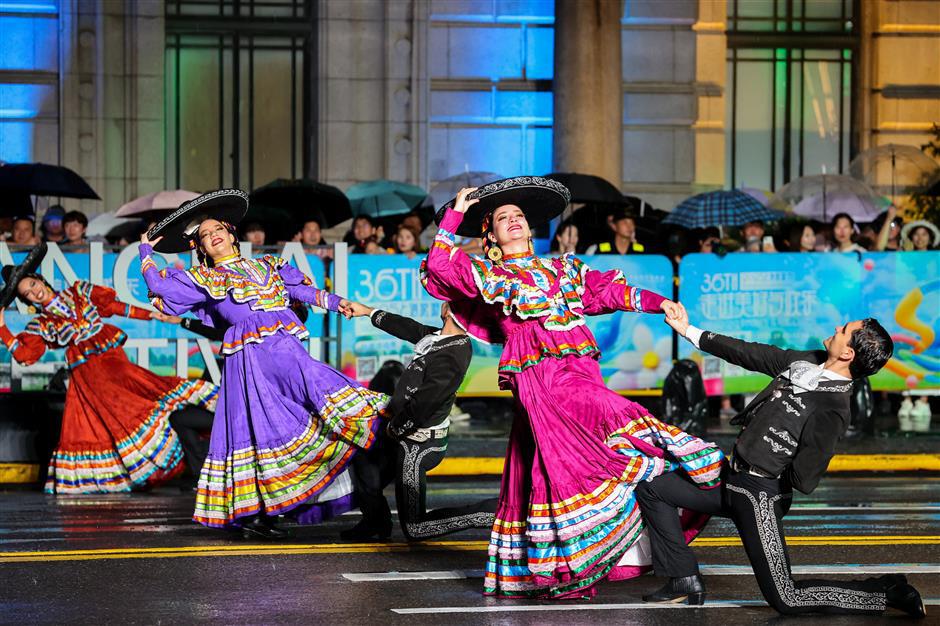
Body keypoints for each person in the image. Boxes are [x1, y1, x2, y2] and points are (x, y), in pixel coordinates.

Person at [422, 178, 724, 599]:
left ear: (530, 229)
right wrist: (455, 214)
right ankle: (728, 495)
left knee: (603, 465)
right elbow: (439, 267)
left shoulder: (562, 269)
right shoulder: (488, 274)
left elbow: (606, 291)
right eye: (503, 218)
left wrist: (659, 303)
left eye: (520, 217)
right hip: (542, 383)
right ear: (489, 234)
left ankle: (681, 572)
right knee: (628, 429)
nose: (514, 221)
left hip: (580, 373)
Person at [636, 304, 925, 617]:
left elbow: (806, 478)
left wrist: (777, 452)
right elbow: (751, 353)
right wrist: (689, 331)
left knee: (787, 598)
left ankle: (884, 593)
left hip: (760, 495)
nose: (838, 328)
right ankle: (683, 578)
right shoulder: (807, 362)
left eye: (844, 331)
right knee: (653, 487)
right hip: (729, 479)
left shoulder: (834, 407)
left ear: (848, 354)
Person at [139, 189, 388, 538]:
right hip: (250, 364)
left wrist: (338, 303)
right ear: (202, 249)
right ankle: (257, 515)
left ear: (230, 233)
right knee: (254, 432)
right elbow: (162, 289)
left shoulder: (267, 265)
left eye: (217, 230)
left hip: (286, 351)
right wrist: (146, 251)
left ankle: (368, 504)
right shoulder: (204, 279)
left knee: (329, 405)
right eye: (205, 237)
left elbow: (301, 292)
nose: (213, 237)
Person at [0, 243, 218, 494]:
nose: (34, 293)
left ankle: (207, 442)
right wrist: (2, 328)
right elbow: (25, 356)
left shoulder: (79, 292)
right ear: (26, 300)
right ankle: (150, 471)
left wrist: (150, 315)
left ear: (41, 280)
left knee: (150, 395)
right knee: (108, 425)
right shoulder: (42, 324)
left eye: (33, 285)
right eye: (27, 293)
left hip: (114, 363)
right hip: (88, 378)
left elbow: (116, 307)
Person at [340, 301, 496, 541]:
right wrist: (367, 311)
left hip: (419, 445)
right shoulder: (439, 339)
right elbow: (406, 327)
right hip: (402, 432)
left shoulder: (454, 354)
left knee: (416, 528)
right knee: (364, 462)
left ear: (448, 311)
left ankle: (496, 514)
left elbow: (424, 405)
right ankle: (375, 522)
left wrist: (394, 428)